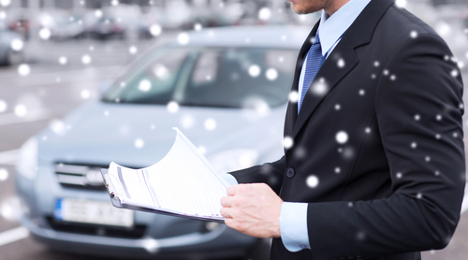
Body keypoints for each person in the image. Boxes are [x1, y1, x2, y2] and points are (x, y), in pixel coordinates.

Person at [219, 0, 466, 259]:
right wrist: (225, 185)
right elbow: (310, 164)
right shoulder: (320, 38)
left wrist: (284, 220)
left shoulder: (411, 49)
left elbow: (430, 214)